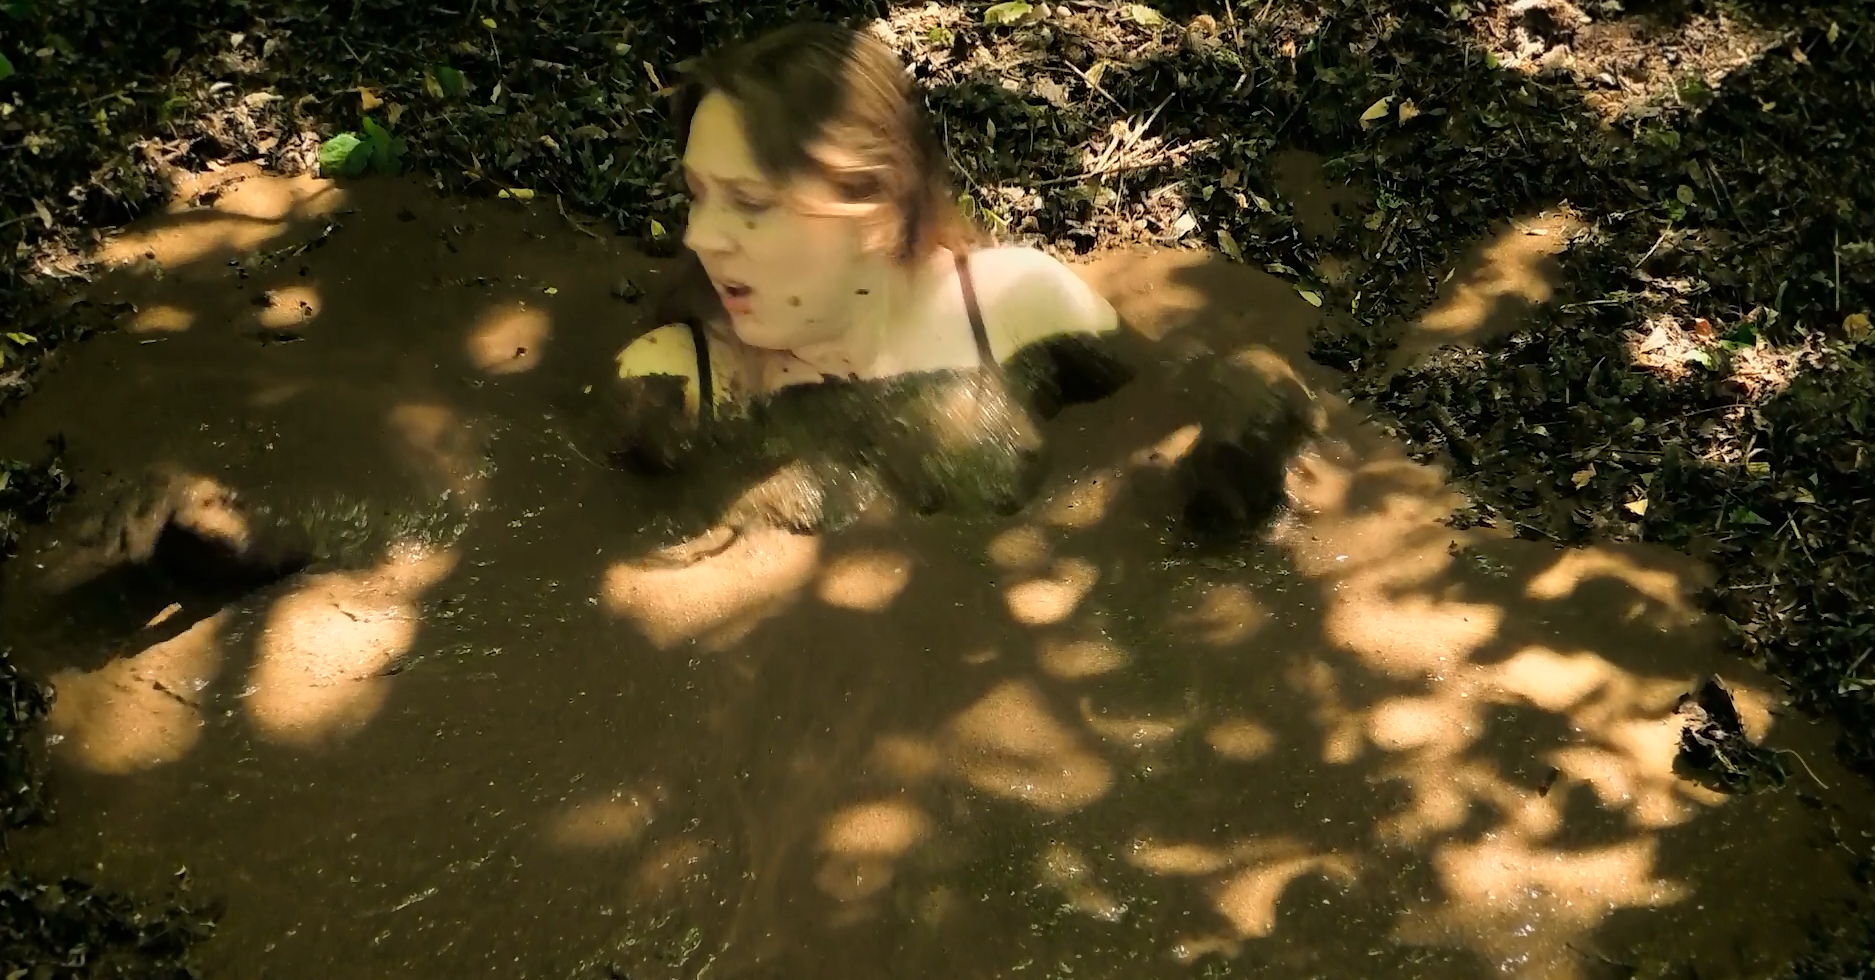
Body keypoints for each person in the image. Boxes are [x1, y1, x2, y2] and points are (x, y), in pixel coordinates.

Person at [604, 21, 1311, 544]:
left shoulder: (1014, 308)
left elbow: (1172, 411)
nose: (699, 236)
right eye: (698, 195)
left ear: (877, 208)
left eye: (750, 203)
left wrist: (1246, 434)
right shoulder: (688, 384)